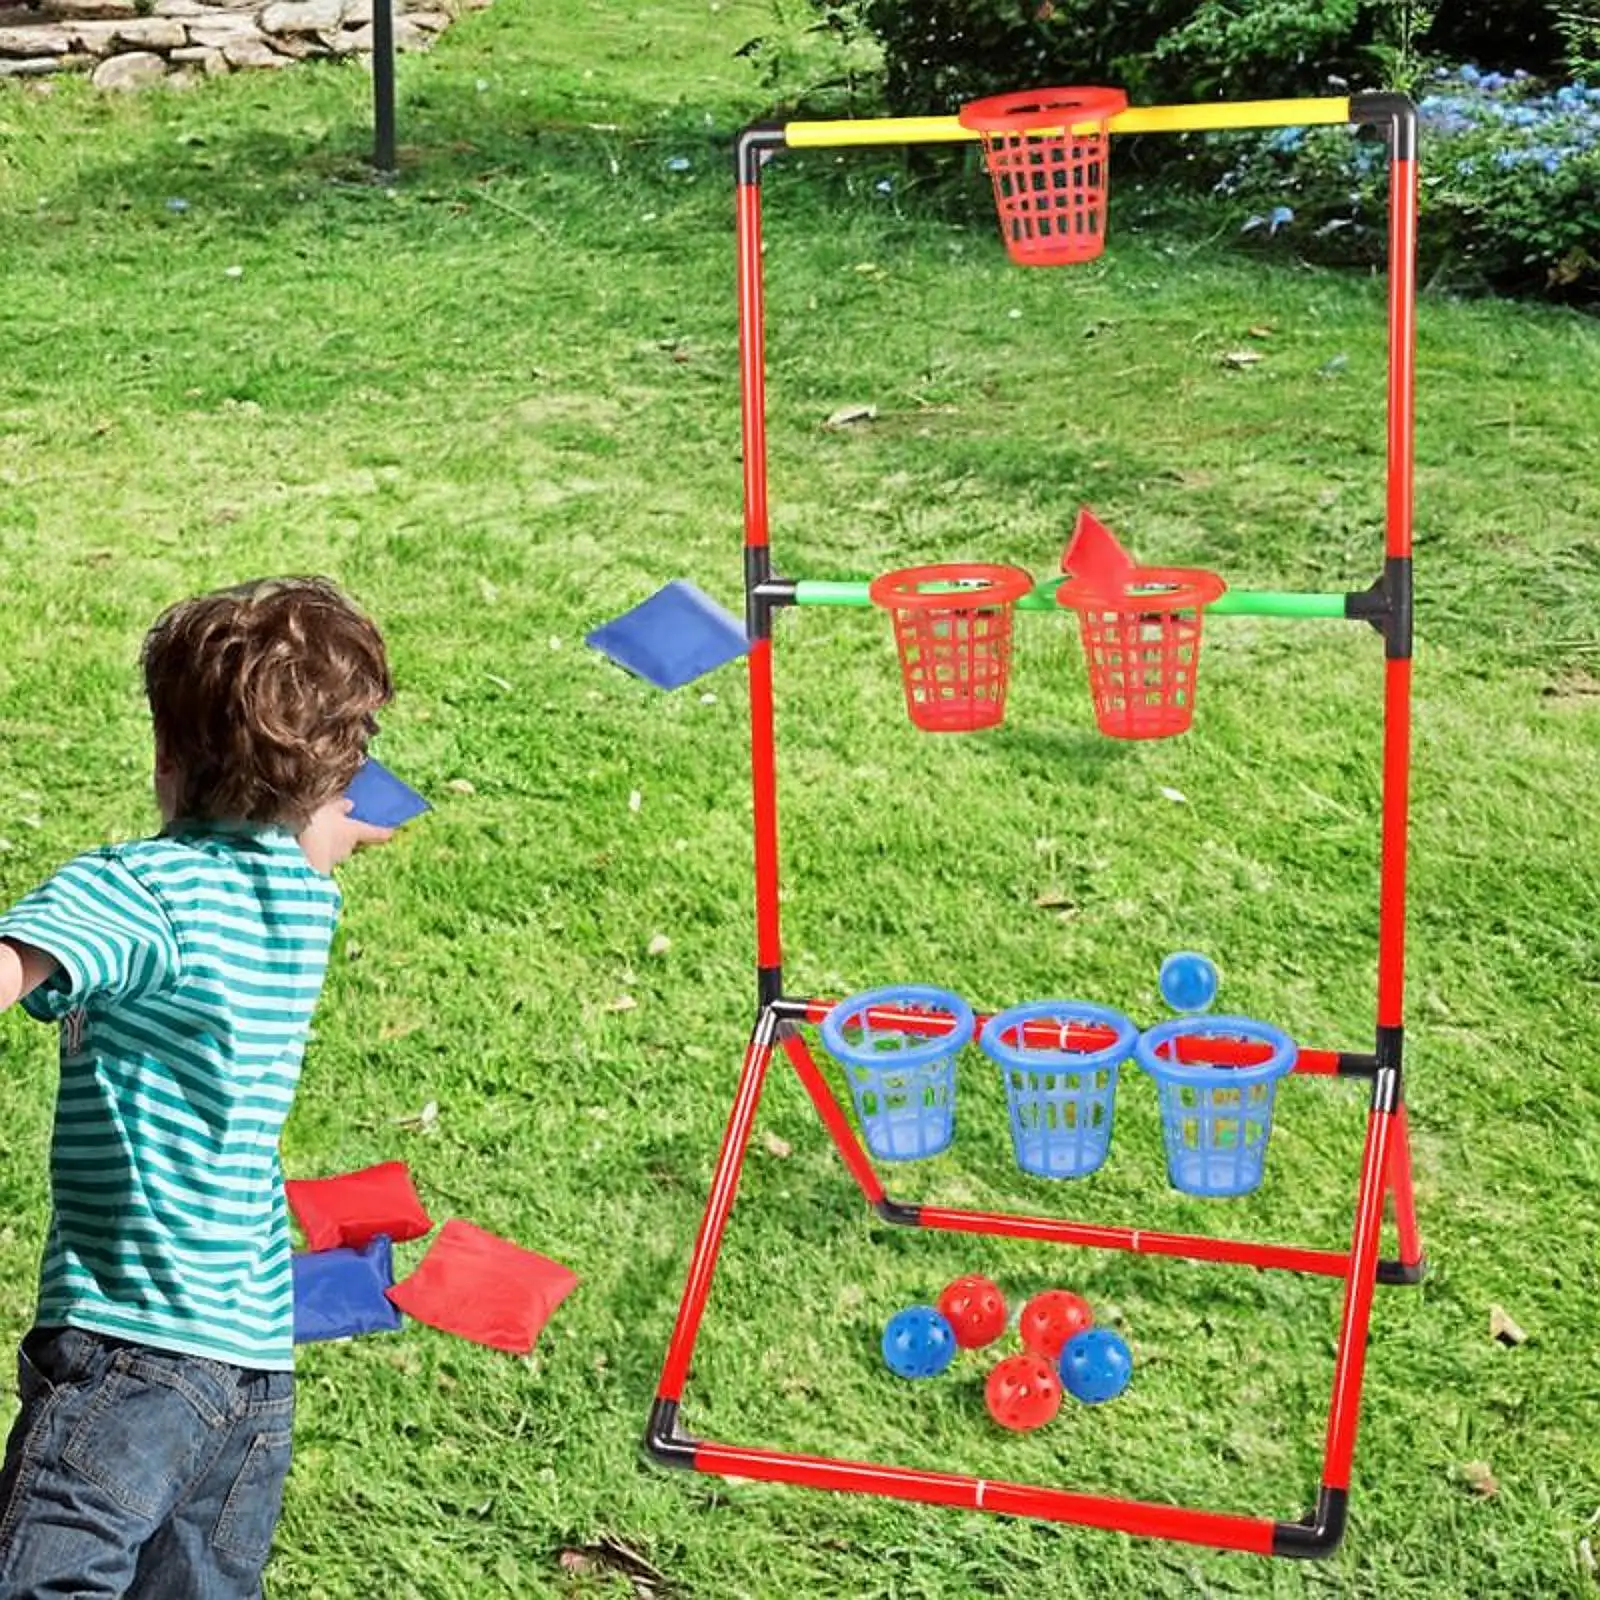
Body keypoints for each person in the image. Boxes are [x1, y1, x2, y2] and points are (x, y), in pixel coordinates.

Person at [0, 576, 396, 1598]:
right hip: (251, 1365)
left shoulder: (136, 887)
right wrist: (340, 815)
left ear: (166, 756)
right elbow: (309, 835)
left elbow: (16, 967)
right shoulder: (299, 897)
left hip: (129, 1341)